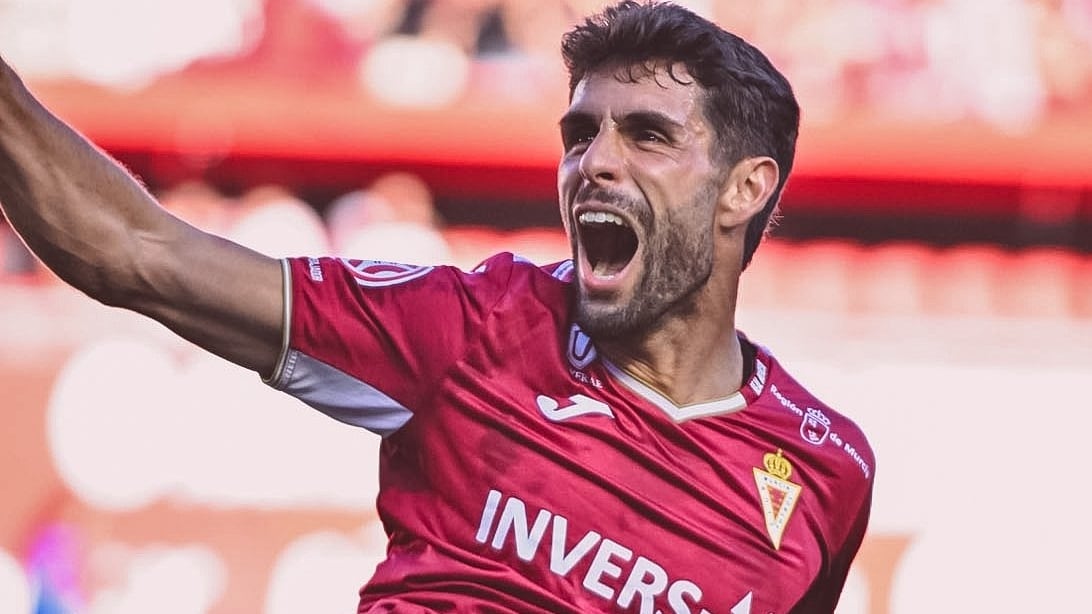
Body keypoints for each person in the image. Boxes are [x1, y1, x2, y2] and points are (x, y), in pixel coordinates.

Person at [0, 1, 874, 612]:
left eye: (647, 134)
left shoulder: (825, 476)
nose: (595, 163)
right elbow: (137, 252)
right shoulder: (477, 329)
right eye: (579, 135)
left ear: (745, 189)